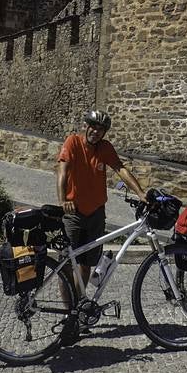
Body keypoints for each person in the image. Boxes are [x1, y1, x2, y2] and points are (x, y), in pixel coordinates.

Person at [57, 109, 148, 288]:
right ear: (86, 126)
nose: (96, 132)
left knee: (86, 264)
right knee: (66, 264)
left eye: (101, 129)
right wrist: (62, 200)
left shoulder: (104, 147)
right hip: (73, 212)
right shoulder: (73, 142)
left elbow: (120, 169)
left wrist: (140, 193)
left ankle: (79, 306)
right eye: (93, 127)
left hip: (96, 214)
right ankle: (68, 310)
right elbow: (63, 171)